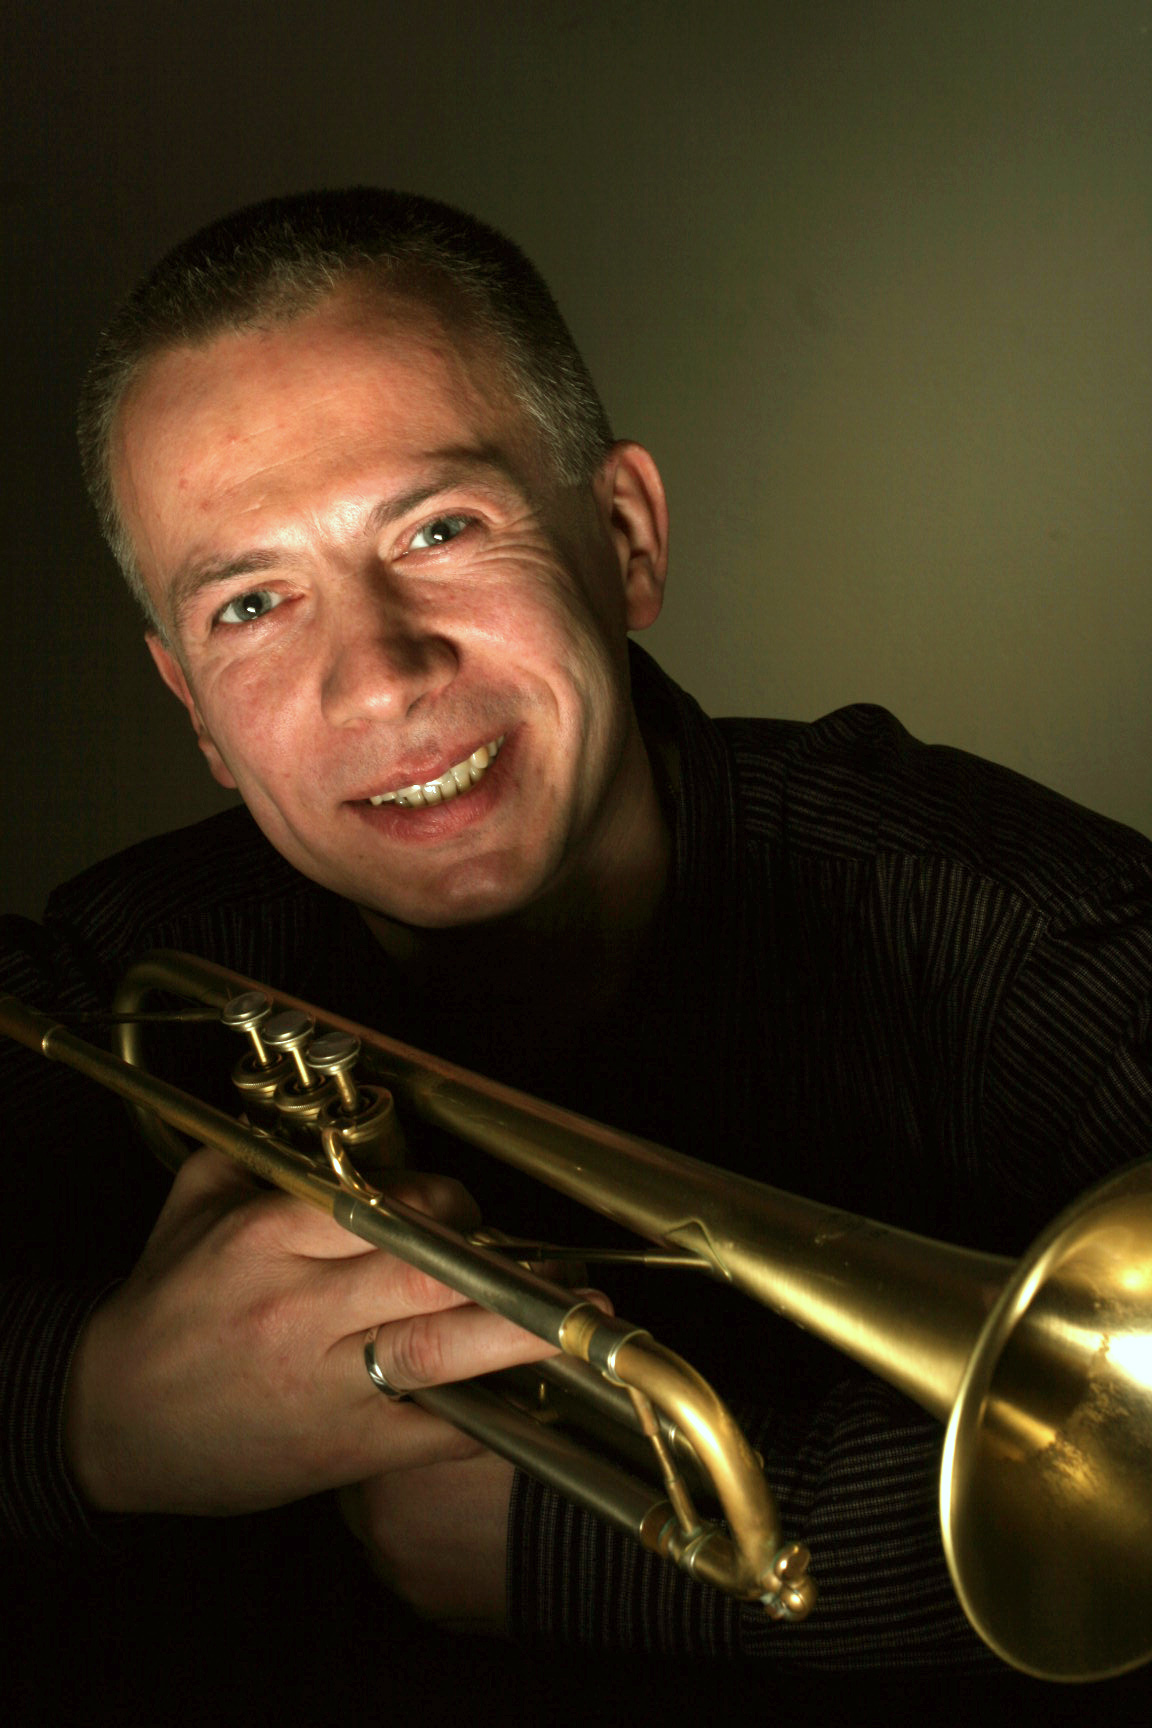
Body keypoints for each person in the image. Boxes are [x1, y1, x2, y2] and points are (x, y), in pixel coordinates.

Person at [3, 188, 1151, 1723]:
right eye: (253, 603)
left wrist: (625, 1546)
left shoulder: (1023, 938)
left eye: (439, 529)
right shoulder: (112, 974)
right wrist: (94, 1416)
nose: (379, 679)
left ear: (623, 540)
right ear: (194, 709)